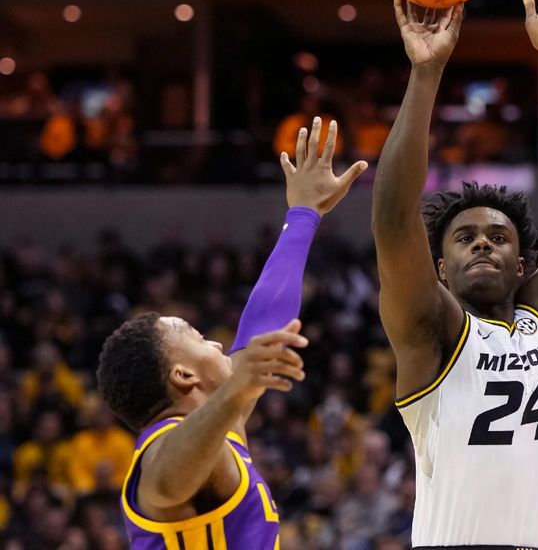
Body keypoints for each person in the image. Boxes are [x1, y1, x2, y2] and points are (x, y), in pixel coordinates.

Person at [371, 0, 538, 549]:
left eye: (499, 237)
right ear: (439, 269)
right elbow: (393, 218)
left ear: (524, 265)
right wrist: (425, 74)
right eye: (465, 237)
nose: (482, 241)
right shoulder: (431, 333)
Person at [97, 119, 366, 549]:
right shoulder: (160, 452)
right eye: (198, 337)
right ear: (184, 376)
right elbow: (166, 480)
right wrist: (233, 392)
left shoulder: (223, 424)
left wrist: (303, 216)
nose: (219, 343)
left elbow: (263, 325)